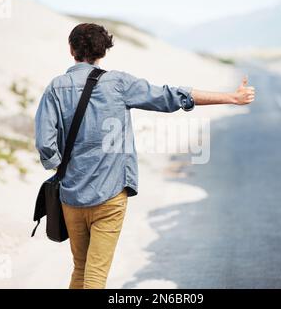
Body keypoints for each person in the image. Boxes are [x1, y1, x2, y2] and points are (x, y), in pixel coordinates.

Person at [35, 23, 256, 289]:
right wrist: (231, 97)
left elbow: (45, 144)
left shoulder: (55, 88)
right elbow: (170, 97)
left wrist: (65, 170)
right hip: (110, 195)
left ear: (71, 50)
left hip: (71, 197)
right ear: (103, 52)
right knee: (95, 275)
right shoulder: (118, 83)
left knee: (81, 269)